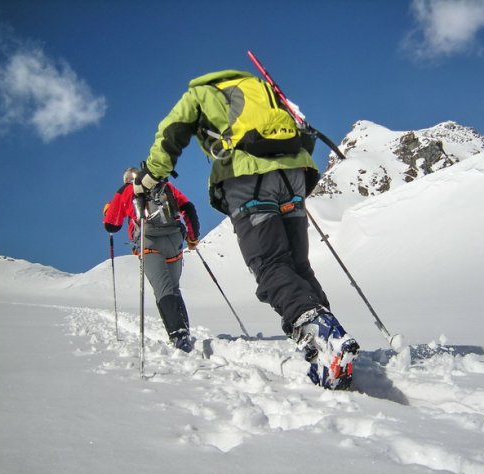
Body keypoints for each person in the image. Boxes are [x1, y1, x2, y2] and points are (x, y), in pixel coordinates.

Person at [135, 69, 359, 389]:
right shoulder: (261, 87)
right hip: (294, 174)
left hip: (248, 175)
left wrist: (149, 177)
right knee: (297, 266)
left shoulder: (200, 93)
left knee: (269, 264)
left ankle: (319, 334)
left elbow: (171, 132)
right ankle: (328, 344)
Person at [103, 167, 200, 352]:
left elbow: (111, 225)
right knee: (174, 288)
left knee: (163, 290)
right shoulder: (164, 185)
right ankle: (184, 332)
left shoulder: (126, 191)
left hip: (149, 244)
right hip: (174, 242)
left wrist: (107, 211)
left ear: (126, 180)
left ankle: (179, 337)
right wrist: (193, 237)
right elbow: (188, 208)